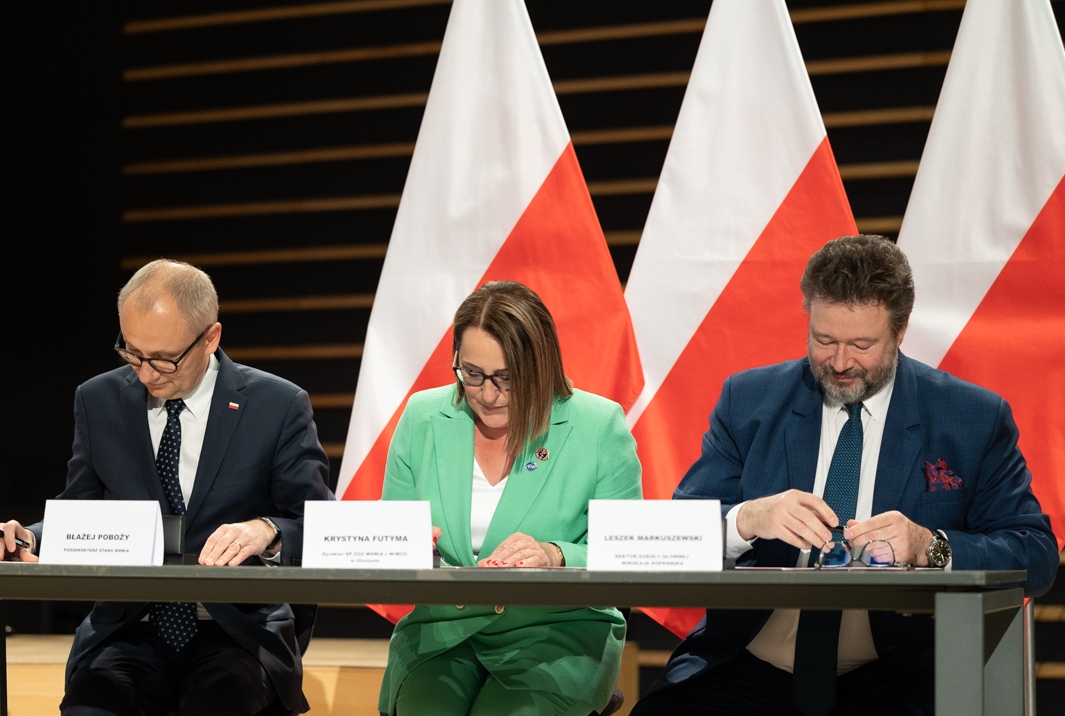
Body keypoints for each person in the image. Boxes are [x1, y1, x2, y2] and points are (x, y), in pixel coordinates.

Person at [631, 236, 1058, 716]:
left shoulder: (971, 417)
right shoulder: (748, 400)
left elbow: (1036, 554)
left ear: (900, 331)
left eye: (861, 345)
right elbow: (676, 533)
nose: (839, 363)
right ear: (808, 318)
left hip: (895, 675)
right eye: (824, 340)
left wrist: (928, 546)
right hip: (747, 664)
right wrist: (747, 519)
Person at [0, 259, 332, 716]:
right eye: (132, 353)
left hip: (235, 633)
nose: (146, 373)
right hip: (129, 628)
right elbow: (81, 512)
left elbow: (319, 526)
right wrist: (30, 538)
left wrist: (266, 529)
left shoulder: (277, 405)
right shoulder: (98, 399)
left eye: (165, 358)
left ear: (211, 337)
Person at [377, 280, 642, 716]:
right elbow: (390, 534)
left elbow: (629, 552)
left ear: (542, 366)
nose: (487, 394)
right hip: (443, 632)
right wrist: (406, 546)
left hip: (557, 634)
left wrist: (556, 554)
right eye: (472, 373)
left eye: (507, 377)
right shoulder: (423, 416)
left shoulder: (598, 425)